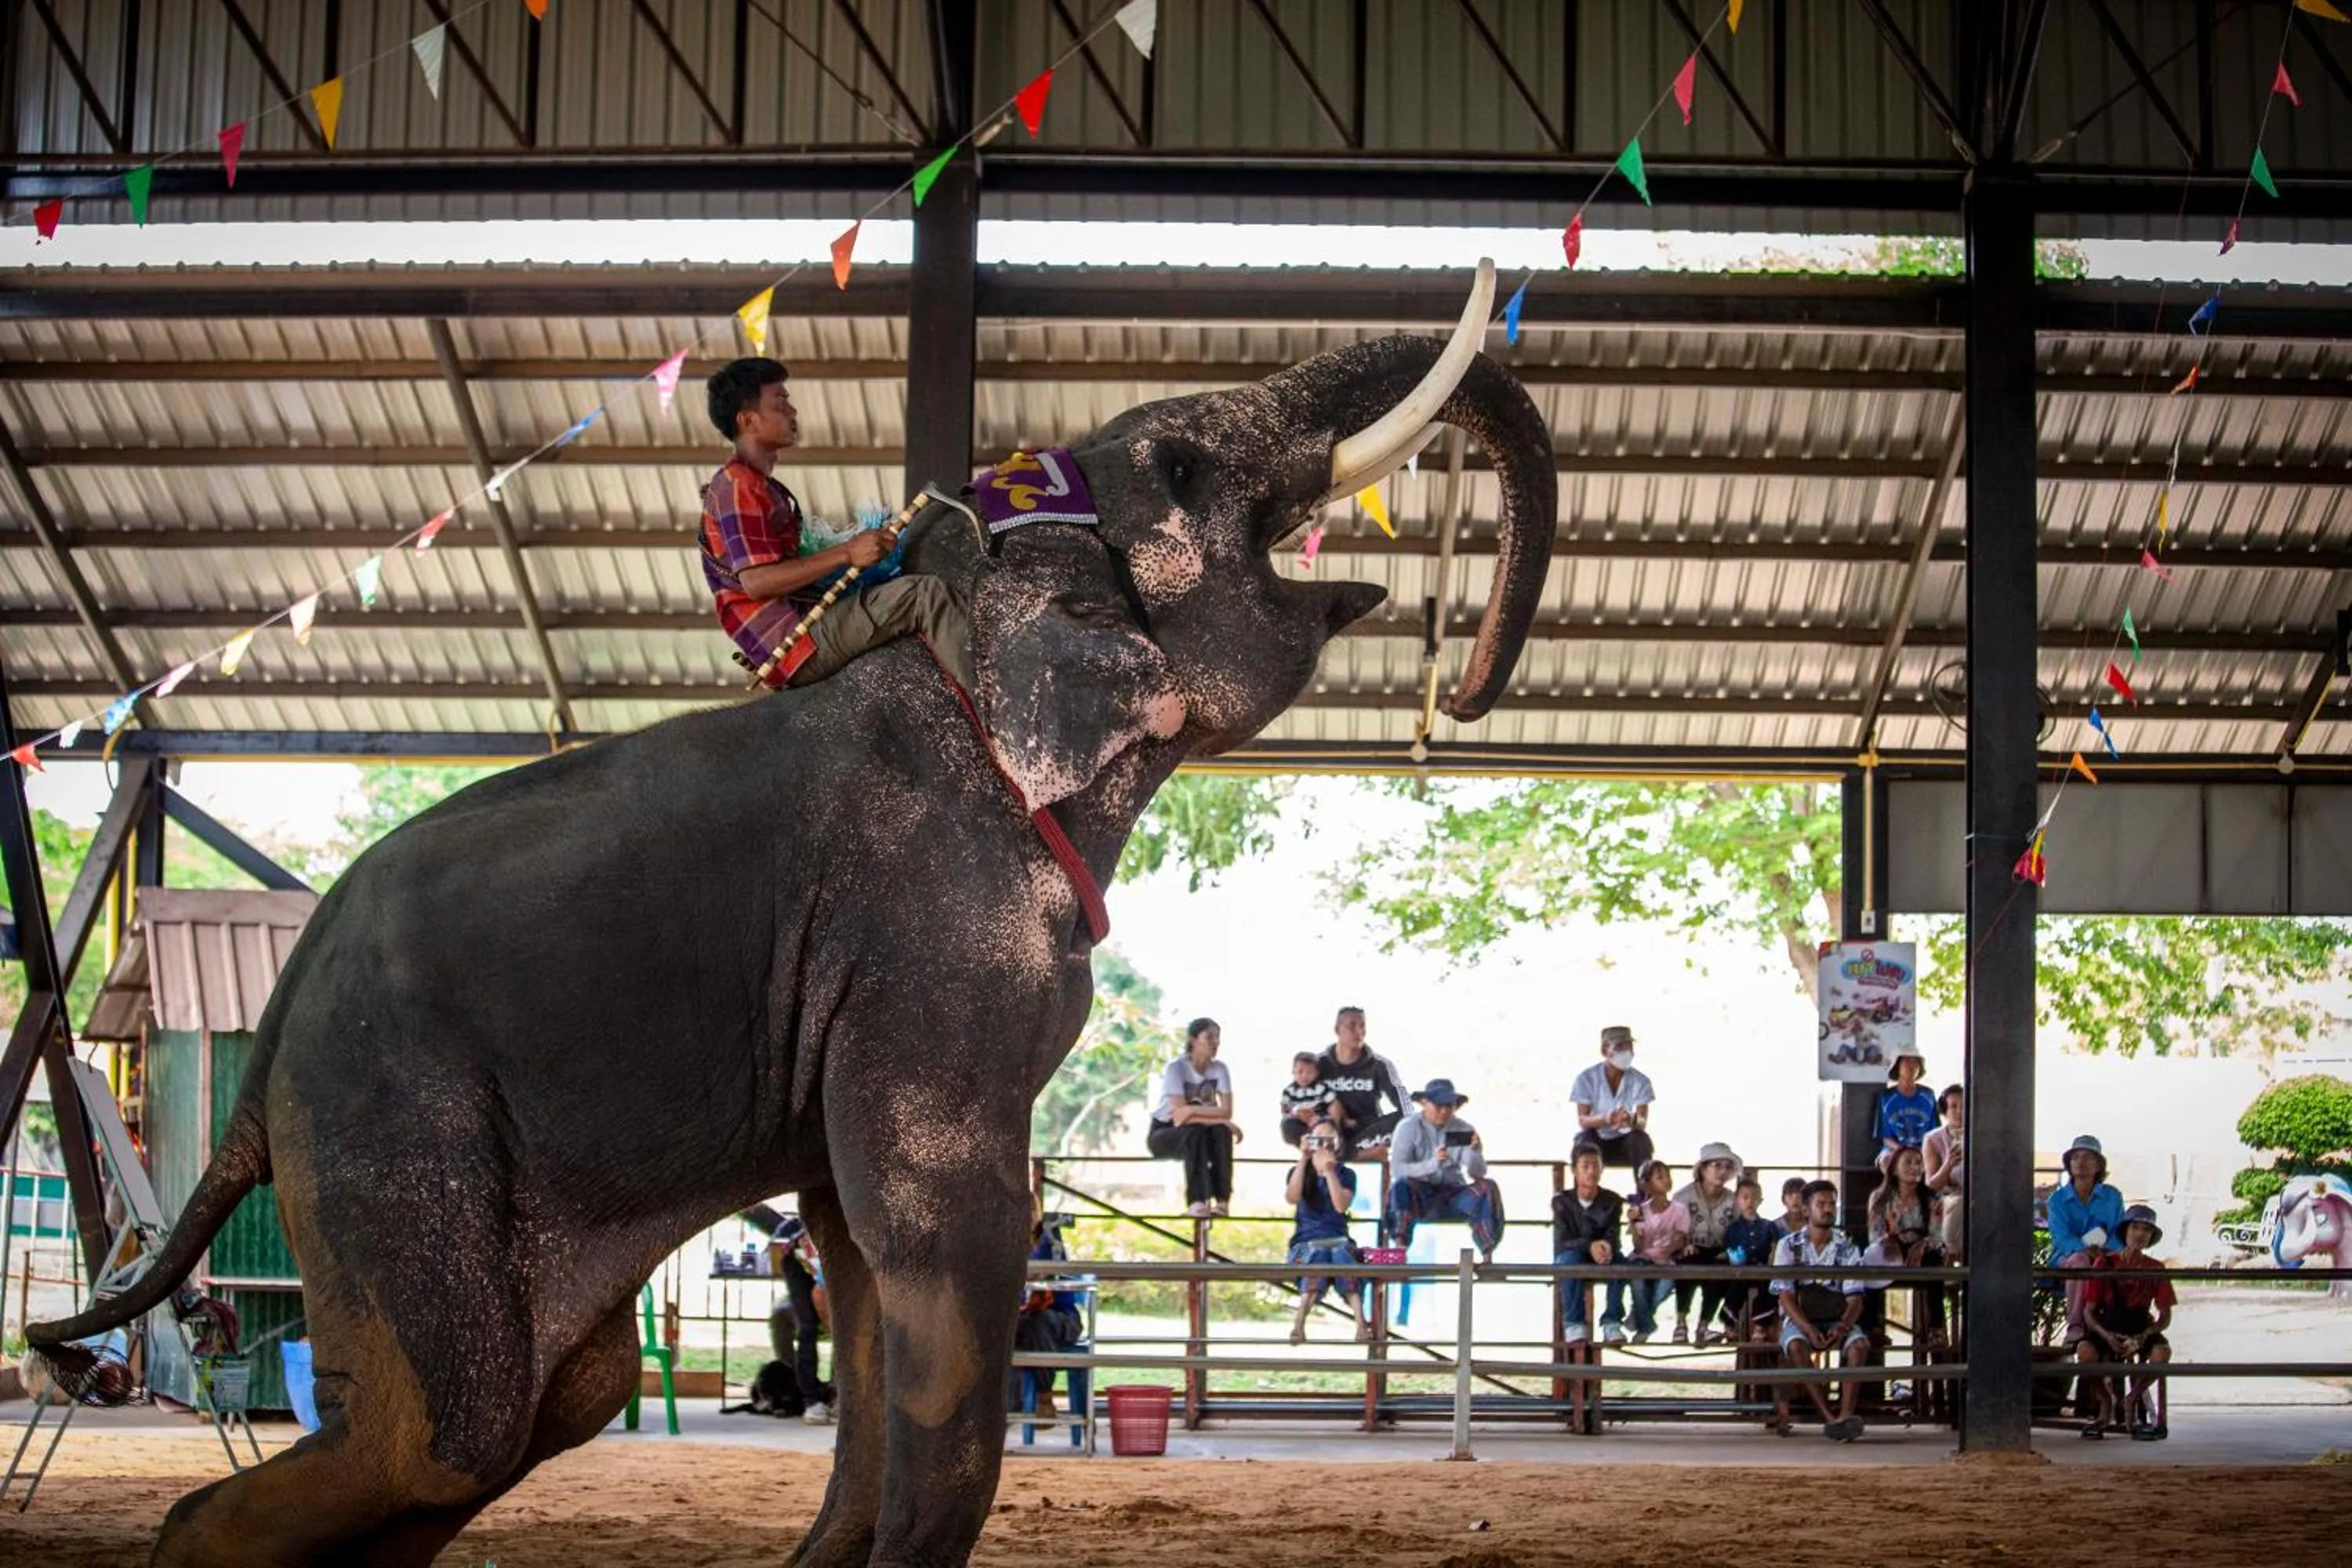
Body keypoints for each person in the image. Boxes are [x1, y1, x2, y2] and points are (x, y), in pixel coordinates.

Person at [699, 357, 972, 691]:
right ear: (748, 420)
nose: (792, 411)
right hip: (794, 645)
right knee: (924, 595)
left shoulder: (756, 486)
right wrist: (848, 553)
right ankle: (995, 704)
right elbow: (757, 581)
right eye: (780, 402)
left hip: (803, 630)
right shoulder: (739, 484)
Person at [1769, 1178, 1871, 1442]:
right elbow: (1786, 1296)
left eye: (1831, 1204)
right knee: (1796, 1347)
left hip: (1837, 1317)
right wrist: (1807, 1328)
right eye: (1821, 1204)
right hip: (1802, 1320)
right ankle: (1829, 1417)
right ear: (1806, 1210)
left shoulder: (1847, 1247)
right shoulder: (1788, 1246)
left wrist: (1843, 1326)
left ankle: (1846, 1415)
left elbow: (1855, 1299)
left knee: (1859, 1345)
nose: (1828, 1209)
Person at [2078, 1203, 2175, 1441]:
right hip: (2108, 1325)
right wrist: (2106, 1335)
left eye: (2146, 1230)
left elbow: (2165, 1317)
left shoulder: (2156, 1268)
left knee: (2162, 1354)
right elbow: (2089, 1312)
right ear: (2126, 1231)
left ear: (2151, 1237)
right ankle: (2105, 1405)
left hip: (2140, 1325)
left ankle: (2133, 1397)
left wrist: (2143, 1335)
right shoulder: (2105, 1264)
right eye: (2135, 1228)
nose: (2140, 1234)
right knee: (2085, 1353)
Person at [1384, 1080, 1505, 1264]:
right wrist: (1432, 1164)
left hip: (1453, 1194)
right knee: (1401, 1187)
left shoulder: (1464, 1129)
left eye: (1449, 1106)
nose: (1444, 1111)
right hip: (1420, 1193)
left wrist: (1475, 1152)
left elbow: (1477, 1173)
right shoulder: (1408, 1127)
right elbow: (1397, 1169)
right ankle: (1400, 1250)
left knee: (1488, 1188)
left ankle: (1487, 1254)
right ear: (1425, 1103)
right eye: (1439, 1106)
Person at [1147, 1017, 1243, 1219]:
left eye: (1218, 1038)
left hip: (1201, 1133)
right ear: (1193, 1041)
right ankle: (1197, 1202)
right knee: (1197, 1132)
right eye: (1209, 1037)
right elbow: (1180, 1116)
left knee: (1221, 1132)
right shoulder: (1177, 1069)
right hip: (1165, 1132)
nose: (1215, 1043)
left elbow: (1227, 1111)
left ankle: (1223, 1201)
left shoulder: (1220, 1069)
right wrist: (1218, 1118)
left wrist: (1211, 1117)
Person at [1286, 1127, 1370, 1344]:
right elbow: (1292, 1197)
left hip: (1338, 1240)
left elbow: (1341, 1206)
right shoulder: (1299, 1171)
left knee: (1343, 1256)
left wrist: (1330, 1171)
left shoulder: (1346, 1174)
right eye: (1318, 1138)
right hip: (1306, 1242)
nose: (1323, 1143)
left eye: (1328, 1138)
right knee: (1317, 1256)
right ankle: (1299, 1321)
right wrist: (1304, 1159)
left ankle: (1361, 1322)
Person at [2047, 1134, 2125, 1347]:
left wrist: (2106, 1251)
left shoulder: (2113, 1196)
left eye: (2087, 1157)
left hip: (2106, 1256)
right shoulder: (2057, 1200)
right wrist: (2084, 1250)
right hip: (2068, 1259)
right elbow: (2062, 1238)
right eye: (2075, 1157)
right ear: (2069, 1164)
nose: (2080, 1162)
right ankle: (2076, 1328)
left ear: (2098, 1165)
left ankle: (2118, 1327)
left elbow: (2120, 1233)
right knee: (2080, 1262)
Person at [1865, 1145, 1947, 1346]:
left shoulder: (1933, 1199)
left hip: (1923, 1252)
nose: (1915, 1167)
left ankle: (1937, 1328)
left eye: (1918, 1163)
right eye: (1908, 1162)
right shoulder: (1880, 1198)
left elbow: (1937, 1235)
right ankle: (1872, 1326)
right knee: (1869, 1261)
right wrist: (1894, 1245)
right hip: (1891, 1249)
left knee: (1934, 1261)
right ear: (1894, 1169)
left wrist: (1921, 1246)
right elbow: (1875, 1235)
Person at [1014, 1199, 1084, 1417]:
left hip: (1061, 1319)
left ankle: (1045, 1397)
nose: (1027, 1214)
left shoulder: (1049, 1237)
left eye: (1031, 1208)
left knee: (1039, 1319)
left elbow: (1052, 1269)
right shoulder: (1005, 1241)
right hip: (1023, 1321)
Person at [1550, 1140, 1624, 1346]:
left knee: (1622, 1263)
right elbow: (1563, 1240)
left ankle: (1612, 1321)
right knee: (1568, 1261)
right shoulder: (1562, 1202)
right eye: (1585, 1166)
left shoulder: (1612, 1201)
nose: (1591, 1171)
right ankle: (1574, 1323)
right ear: (1574, 1170)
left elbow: (1613, 1233)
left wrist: (1607, 1247)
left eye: (1596, 1166)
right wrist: (1589, 1246)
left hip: (1599, 1255)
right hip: (1573, 1253)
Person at [764, 1213, 835, 1424]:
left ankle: (837, 1394)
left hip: (828, 1276)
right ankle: (810, 1399)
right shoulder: (793, 1233)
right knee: (807, 1327)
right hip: (805, 1271)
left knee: (845, 1331)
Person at [1670, 1142, 1742, 1346]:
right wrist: (1682, 1244)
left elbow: (1738, 1231)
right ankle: (1681, 1322)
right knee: (1687, 1265)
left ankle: (1704, 1326)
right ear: (1703, 1168)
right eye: (1717, 1165)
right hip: (1690, 1249)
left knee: (1720, 1273)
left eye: (1727, 1167)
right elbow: (1673, 1231)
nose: (1722, 1172)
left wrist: (1730, 1251)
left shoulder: (1732, 1200)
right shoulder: (1682, 1197)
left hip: (1719, 1251)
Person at [1314, 1007, 1411, 1156]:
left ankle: (1346, 1153)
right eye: (1352, 1025)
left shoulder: (1379, 1065)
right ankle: (1344, 1151)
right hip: (1329, 1129)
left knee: (1407, 1121)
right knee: (1291, 1124)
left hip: (1367, 1131)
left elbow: (1405, 1106)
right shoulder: (1318, 1064)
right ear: (1337, 1030)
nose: (1359, 1032)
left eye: (1362, 1026)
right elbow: (1298, 1097)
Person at [1611, 1158, 1688, 1345]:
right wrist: (1633, 1223)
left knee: (1665, 1285)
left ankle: (1639, 1316)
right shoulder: (1641, 1211)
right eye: (1659, 1177)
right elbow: (1639, 1246)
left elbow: (1680, 1238)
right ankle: (1646, 1326)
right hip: (1642, 1259)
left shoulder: (1680, 1210)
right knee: (1637, 1280)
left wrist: (1666, 1253)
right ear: (1647, 1184)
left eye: (1667, 1176)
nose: (1666, 1180)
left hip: (1667, 1260)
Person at [1570, 1025, 1655, 1171]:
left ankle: (1644, 1193)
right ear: (1605, 1051)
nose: (1627, 1052)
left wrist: (1631, 1120)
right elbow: (1583, 1120)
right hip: (1597, 1142)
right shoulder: (1586, 1078)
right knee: (1584, 1139)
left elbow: (1642, 1121)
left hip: (1627, 1145)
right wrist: (1607, 1119)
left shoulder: (1641, 1081)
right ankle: (1583, 1192)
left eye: (1629, 1047)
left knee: (1640, 1140)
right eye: (1620, 1047)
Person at [1722, 1175, 1780, 1341]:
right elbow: (1729, 1249)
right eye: (1745, 1197)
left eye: (1754, 1198)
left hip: (1763, 1269)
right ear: (1737, 1200)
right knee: (1735, 1289)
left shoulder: (1769, 1226)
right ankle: (1729, 1324)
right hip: (1741, 1270)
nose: (1750, 1202)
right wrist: (1735, 1260)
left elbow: (1775, 1247)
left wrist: (1770, 1264)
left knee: (1769, 1289)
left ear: (1760, 1201)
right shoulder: (1733, 1228)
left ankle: (1760, 1325)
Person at [1922, 1083, 1966, 1260]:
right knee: (1957, 1204)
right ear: (1945, 1110)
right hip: (1948, 1197)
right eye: (1954, 1107)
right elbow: (1932, 1183)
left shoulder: (1980, 1135)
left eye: (1964, 1106)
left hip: (1979, 1196)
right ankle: (1952, 1254)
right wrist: (1948, 1164)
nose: (1960, 1111)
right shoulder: (1933, 1139)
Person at [1875, 1051, 1938, 1170]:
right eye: (1907, 1061)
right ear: (1897, 1065)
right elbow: (1885, 1137)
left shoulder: (1928, 1095)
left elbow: (1934, 1133)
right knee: (1886, 1160)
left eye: (1916, 1062)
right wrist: (1901, 1150)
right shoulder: (1886, 1097)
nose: (1912, 1066)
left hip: (1924, 1149)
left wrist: (1921, 1151)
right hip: (1895, 1149)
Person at [1278, 1052, 1338, 1144]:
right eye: (1300, 1072)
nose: (1304, 1076)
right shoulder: (1289, 1091)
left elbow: (1333, 1102)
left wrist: (1343, 1119)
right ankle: (1307, 1145)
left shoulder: (1320, 1088)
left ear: (1316, 1074)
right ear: (1293, 1072)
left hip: (1317, 1118)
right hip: (1298, 1119)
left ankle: (1318, 1145)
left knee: (1325, 1126)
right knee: (1288, 1124)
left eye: (1309, 1072)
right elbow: (1285, 1107)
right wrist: (1296, 1111)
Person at [1774, 1176, 1808, 1244]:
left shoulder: (1814, 1225)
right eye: (1790, 1195)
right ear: (1784, 1199)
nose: (1795, 1200)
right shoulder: (1775, 1226)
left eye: (1800, 1196)